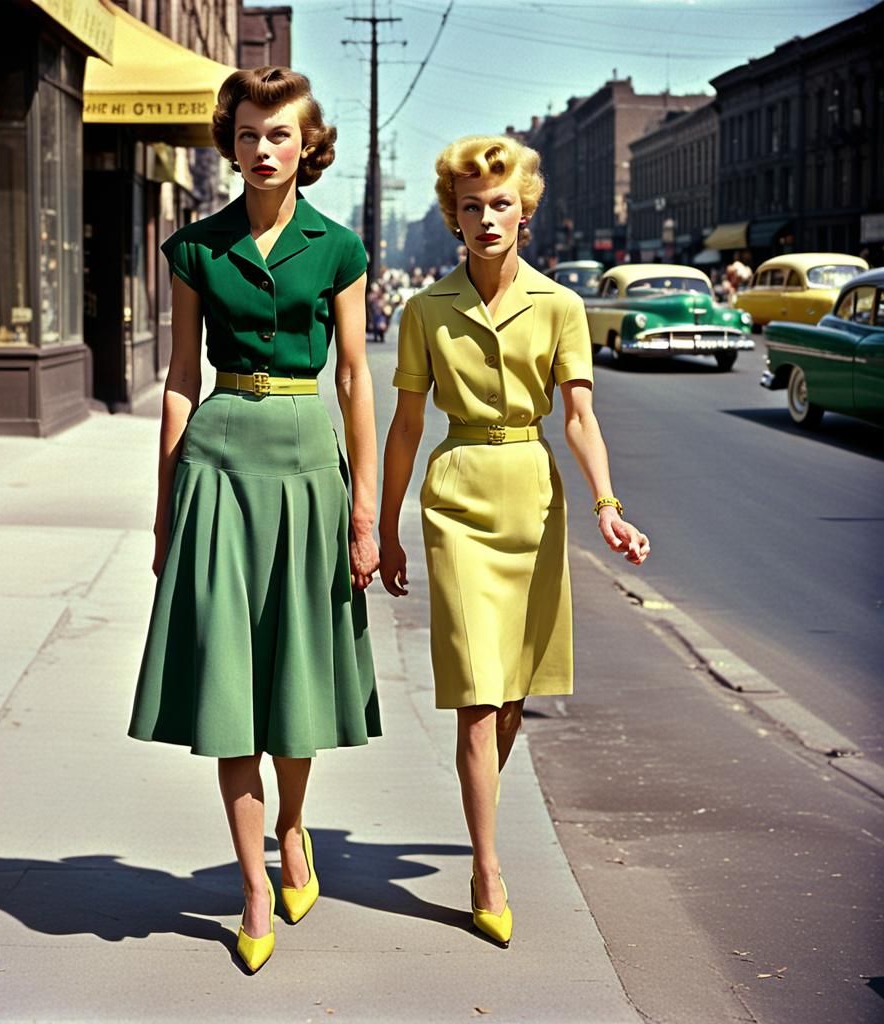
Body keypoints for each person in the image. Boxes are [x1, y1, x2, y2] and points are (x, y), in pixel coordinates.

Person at [128, 67, 380, 974]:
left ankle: (292, 827)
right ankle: (252, 889)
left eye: (279, 134)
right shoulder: (196, 247)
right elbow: (179, 380)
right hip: (220, 464)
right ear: (229, 144)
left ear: (307, 145)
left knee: (297, 671)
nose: (263, 148)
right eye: (247, 134)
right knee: (231, 683)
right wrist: (165, 511)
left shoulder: (339, 248)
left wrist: (364, 513)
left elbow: (355, 377)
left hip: (308, 465)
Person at [378, 136, 650, 947]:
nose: (488, 219)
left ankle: (478, 805)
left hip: (533, 498)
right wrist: (384, 524)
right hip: (458, 495)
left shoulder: (561, 306)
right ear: (454, 217)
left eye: (502, 204)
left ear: (524, 212)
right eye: (472, 206)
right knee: (477, 689)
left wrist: (607, 504)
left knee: (512, 695)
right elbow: (405, 426)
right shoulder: (425, 310)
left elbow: (580, 416)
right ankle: (487, 867)